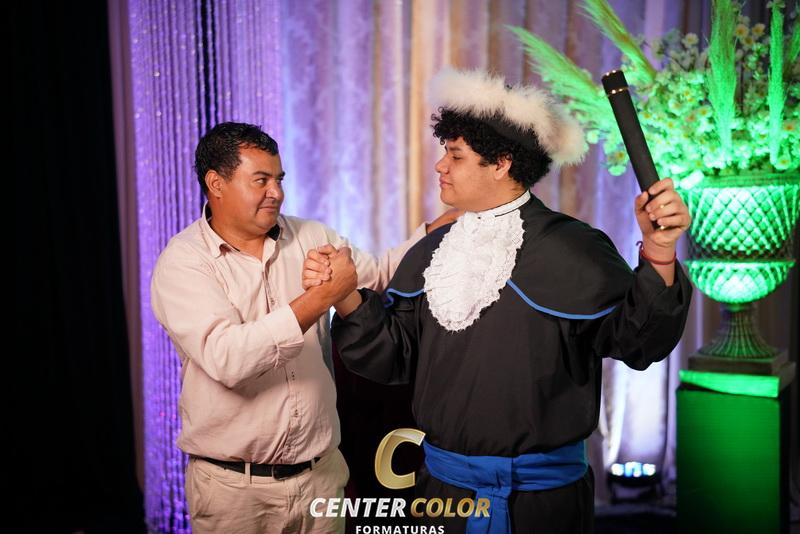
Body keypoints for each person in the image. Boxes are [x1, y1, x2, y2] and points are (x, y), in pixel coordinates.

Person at [316, 69, 692, 533]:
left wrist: (658, 250)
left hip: (540, 504)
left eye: (455, 155)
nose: (440, 166)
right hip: (442, 494)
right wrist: (345, 296)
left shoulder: (575, 248)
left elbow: (640, 342)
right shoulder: (431, 252)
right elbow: (394, 357)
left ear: (501, 163)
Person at [150, 121, 457, 534]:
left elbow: (380, 275)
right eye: (261, 180)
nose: (276, 192)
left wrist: (447, 223)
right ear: (216, 184)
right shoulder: (184, 261)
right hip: (234, 491)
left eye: (279, 179)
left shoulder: (311, 235)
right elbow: (228, 359)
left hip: (321, 478)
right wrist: (322, 297)